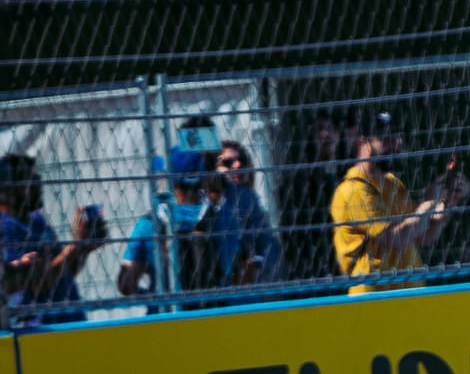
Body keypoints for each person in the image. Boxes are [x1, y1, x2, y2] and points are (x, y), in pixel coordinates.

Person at [329, 111, 468, 293]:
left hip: (410, 292)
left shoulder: (392, 183)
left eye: (399, 137)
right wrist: (428, 205)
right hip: (376, 297)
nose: (398, 143)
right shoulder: (353, 190)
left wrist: (448, 200)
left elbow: (424, 237)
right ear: (363, 142)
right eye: (387, 138)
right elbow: (397, 239)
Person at [117, 146, 238, 307]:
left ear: (168, 181)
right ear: (202, 180)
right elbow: (235, 273)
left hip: (165, 318)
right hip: (215, 314)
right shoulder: (223, 219)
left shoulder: (149, 225)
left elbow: (126, 286)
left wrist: (150, 292)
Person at [0, 152, 109, 327]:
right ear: (6, 191)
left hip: (69, 322)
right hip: (38, 329)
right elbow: (33, 282)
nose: (38, 184)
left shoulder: (36, 220)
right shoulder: (6, 227)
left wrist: (83, 247)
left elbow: (65, 273)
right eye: (29, 180)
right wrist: (74, 246)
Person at [215, 139, 281, 284]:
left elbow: (269, 243)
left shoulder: (248, 199)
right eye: (227, 163)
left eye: (242, 160)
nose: (237, 165)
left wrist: (256, 263)